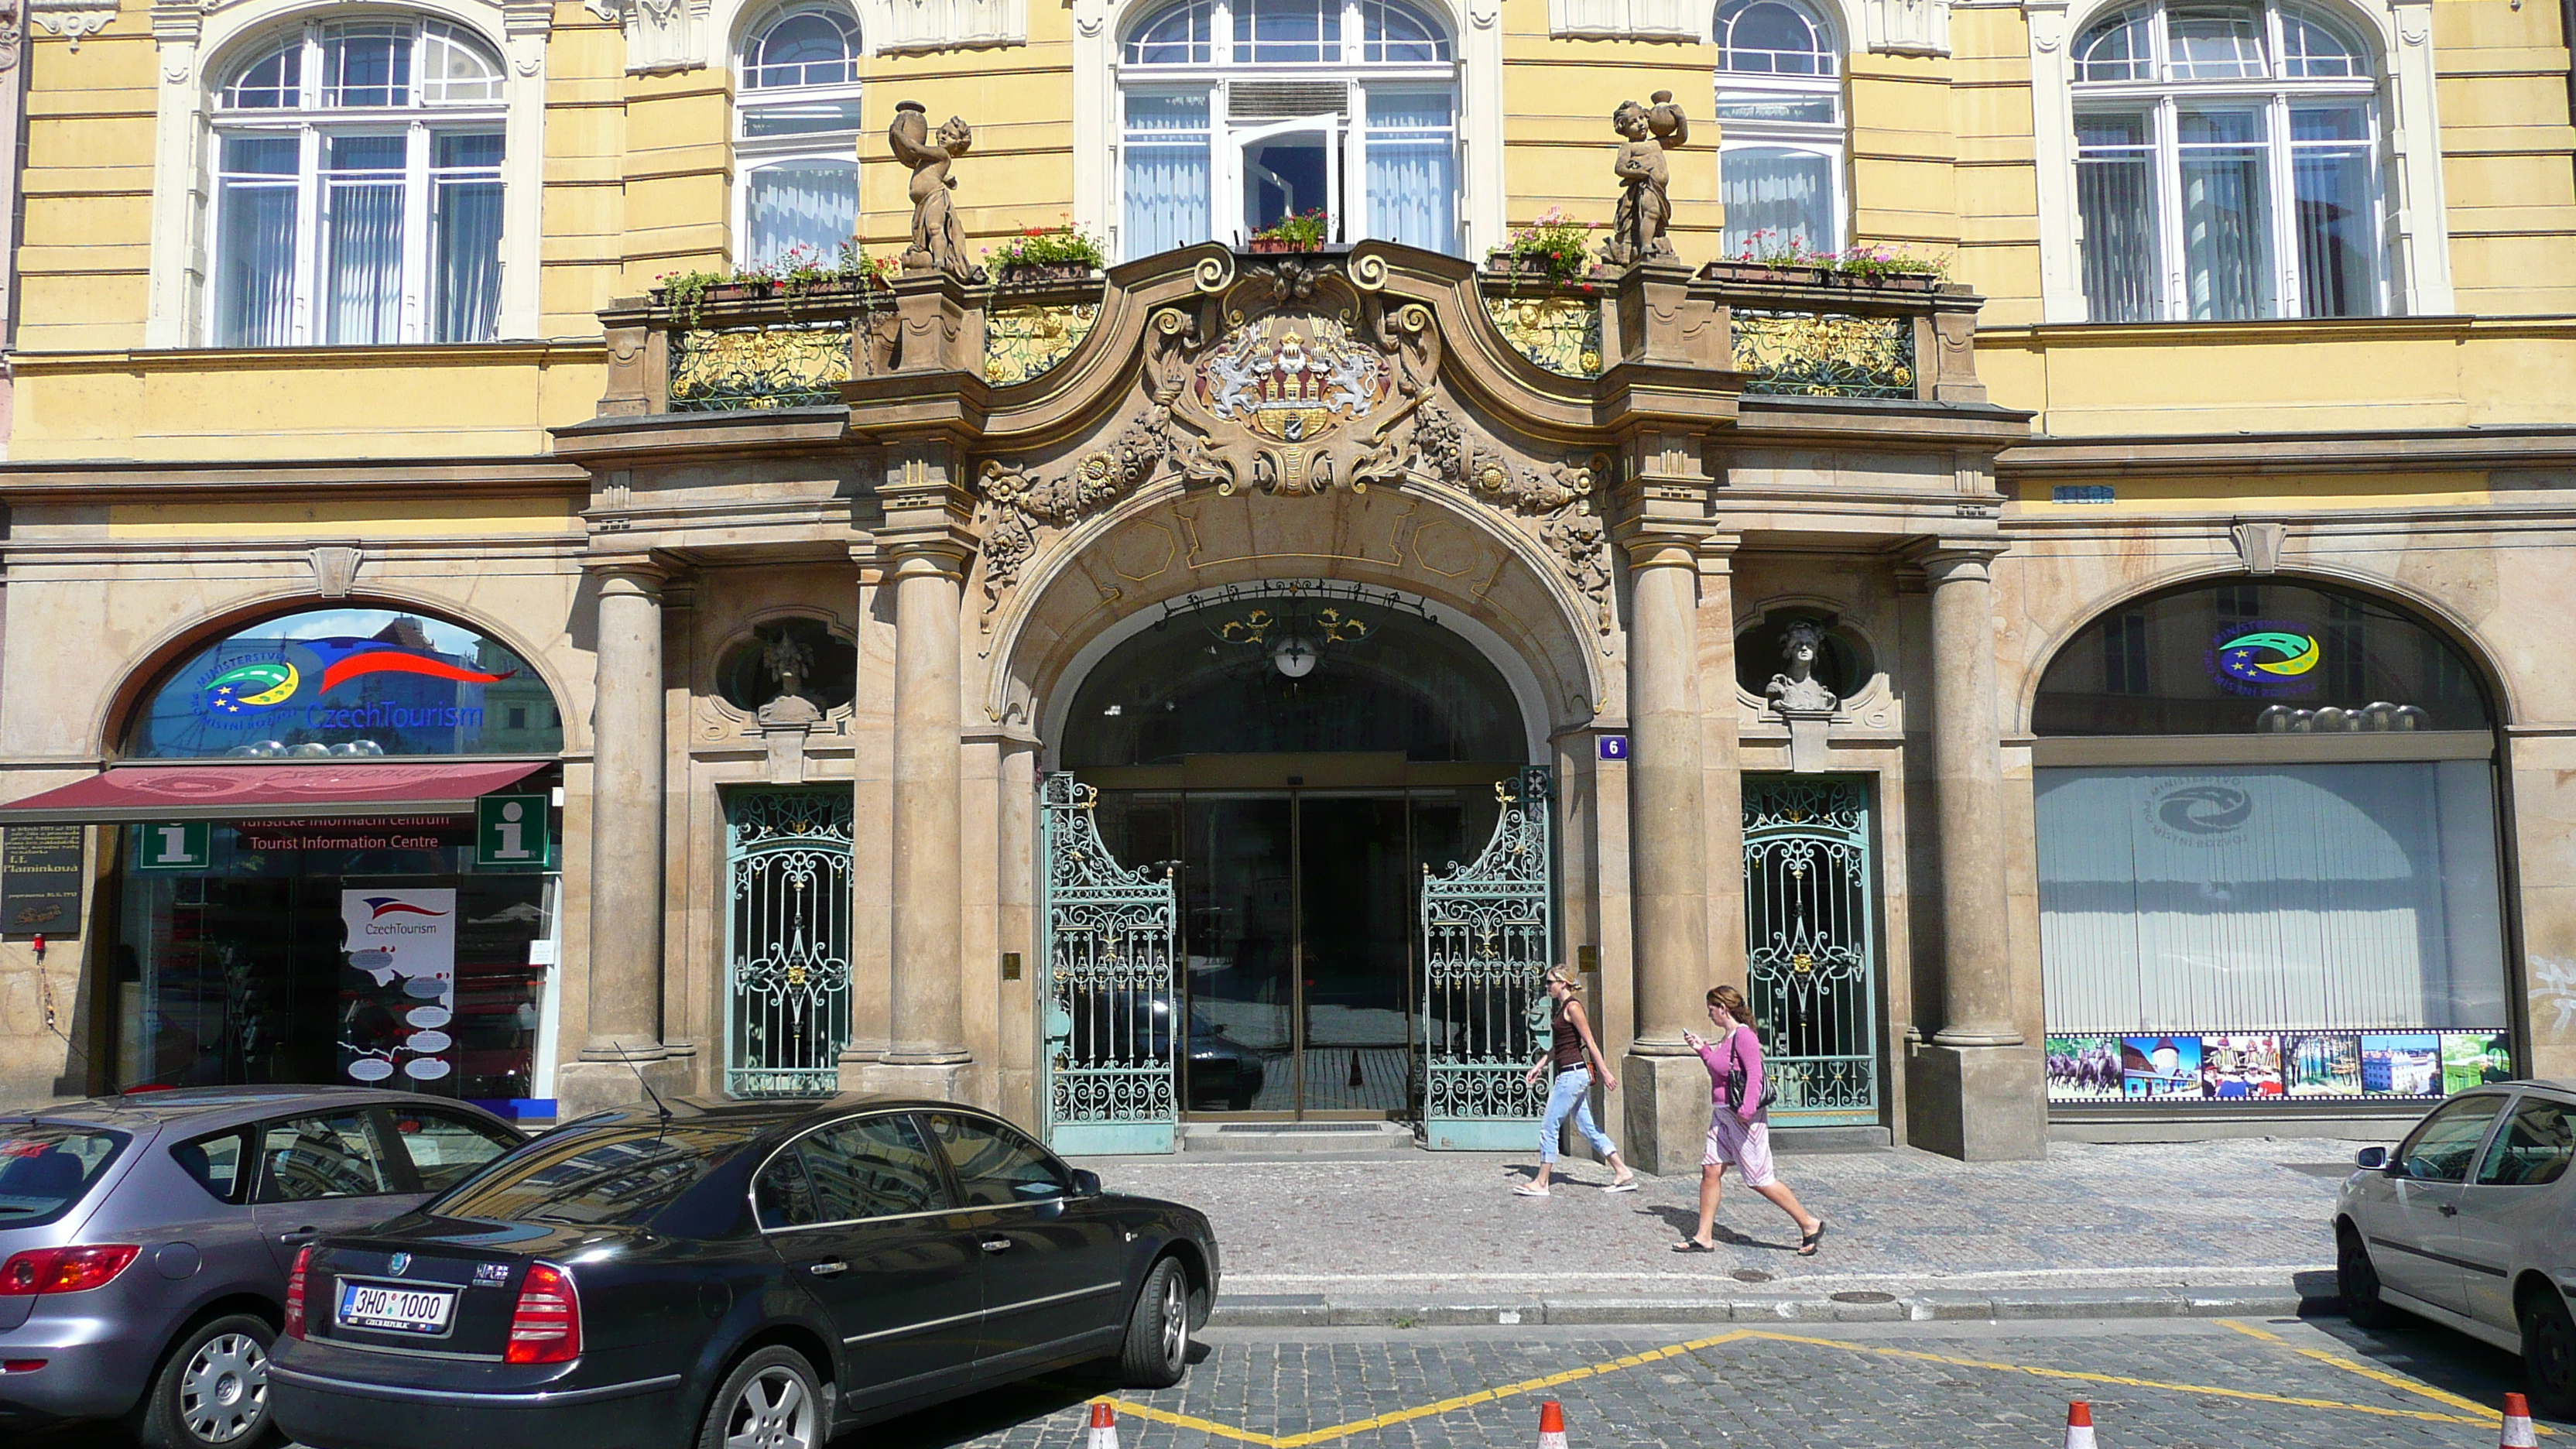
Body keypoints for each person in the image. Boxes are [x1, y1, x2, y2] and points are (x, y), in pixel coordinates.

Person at [1673, 985, 1827, 1255]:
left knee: (1759, 1179)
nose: (1709, 1015)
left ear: (1723, 1008)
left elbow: (1755, 1074)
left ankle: (1809, 1223)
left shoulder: (1743, 1037)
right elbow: (1722, 1072)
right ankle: (1704, 1236)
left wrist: (1746, 1110)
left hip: (1743, 1116)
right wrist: (1702, 1050)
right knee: (1710, 1170)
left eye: (1711, 1010)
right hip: (1721, 1113)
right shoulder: (1727, 1037)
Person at [1514, 965, 1637, 1196]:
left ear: (1563, 983)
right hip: (1571, 1073)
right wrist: (1540, 1065)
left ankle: (1542, 1182)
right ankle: (1622, 1171)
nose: (1547, 986)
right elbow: (1559, 1048)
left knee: (1549, 1126)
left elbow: (1590, 1042)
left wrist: (1605, 1072)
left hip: (1572, 1075)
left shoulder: (1573, 1008)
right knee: (1587, 1127)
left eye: (1550, 982)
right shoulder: (1563, 1009)